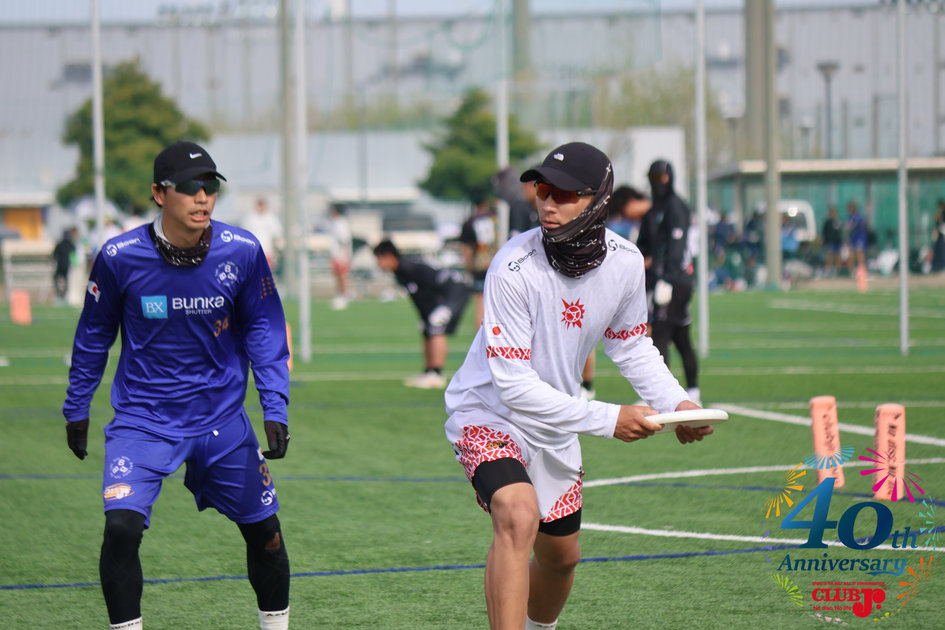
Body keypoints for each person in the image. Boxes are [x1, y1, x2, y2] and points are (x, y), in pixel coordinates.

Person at [443, 142, 712, 630]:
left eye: (564, 194)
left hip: (555, 419)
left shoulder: (626, 263)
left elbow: (631, 346)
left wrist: (677, 403)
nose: (548, 203)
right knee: (517, 516)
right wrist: (609, 419)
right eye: (542, 190)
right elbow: (513, 387)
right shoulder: (511, 266)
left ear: (598, 199)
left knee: (562, 558)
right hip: (488, 411)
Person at [62, 141, 292, 630]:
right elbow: (94, 335)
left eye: (209, 186)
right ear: (158, 194)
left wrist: (275, 406)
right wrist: (77, 405)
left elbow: (264, 328)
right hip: (144, 421)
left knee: (267, 536)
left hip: (221, 422)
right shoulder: (119, 257)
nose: (202, 197)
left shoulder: (243, 250)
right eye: (188, 187)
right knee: (121, 529)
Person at [639, 159, 700, 406]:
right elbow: (643, 246)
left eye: (661, 178)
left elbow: (677, 246)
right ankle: (689, 392)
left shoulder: (676, 207)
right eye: (653, 179)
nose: (658, 184)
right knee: (677, 336)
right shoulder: (652, 211)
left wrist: (668, 279)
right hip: (657, 281)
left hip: (676, 282)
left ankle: (668, 396)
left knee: (664, 335)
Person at [373, 239, 471, 389]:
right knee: (427, 326)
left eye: (379, 259)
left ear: (389, 256)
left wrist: (438, 311)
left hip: (453, 292)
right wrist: (424, 317)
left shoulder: (408, 268)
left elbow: (433, 290)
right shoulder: (400, 270)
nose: (378, 264)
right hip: (443, 295)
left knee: (436, 325)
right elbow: (420, 297)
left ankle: (437, 374)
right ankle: (428, 371)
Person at [459, 186, 501, 329]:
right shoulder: (495, 218)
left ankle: (481, 334)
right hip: (497, 262)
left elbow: (467, 249)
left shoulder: (470, 222)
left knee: (481, 301)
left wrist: (468, 267)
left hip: (480, 265)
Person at [242, 197, 285, 273]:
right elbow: (244, 233)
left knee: (266, 272)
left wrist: (278, 246)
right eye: (259, 205)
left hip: (267, 251)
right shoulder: (250, 219)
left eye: (262, 205)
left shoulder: (271, 218)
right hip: (253, 251)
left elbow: (277, 233)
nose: (260, 208)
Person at [327, 205, 353, 310]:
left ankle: (344, 295)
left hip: (341, 254)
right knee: (337, 274)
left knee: (342, 275)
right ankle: (339, 294)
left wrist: (345, 255)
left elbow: (344, 240)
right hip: (336, 254)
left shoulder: (341, 223)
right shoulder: (335, 223)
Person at [52, 226, 78, 304]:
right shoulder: (70, 244)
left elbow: (54, 255)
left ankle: (60, 294)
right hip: (66, 265)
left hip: (60, 265)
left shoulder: (59, 244)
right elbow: (73, 254)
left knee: (57, 278)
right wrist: (74, 263)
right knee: (65, 280)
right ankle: (63, 295)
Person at [821, 205, 843, 277]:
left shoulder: (838, 221)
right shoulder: (827, 222)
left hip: (837, 242)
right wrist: (824, 241)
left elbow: (840, 231)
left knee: (838, 256)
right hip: (829, 242)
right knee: (829, 256)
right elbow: (824, 232)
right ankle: (828, 270)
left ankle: (837, 271)